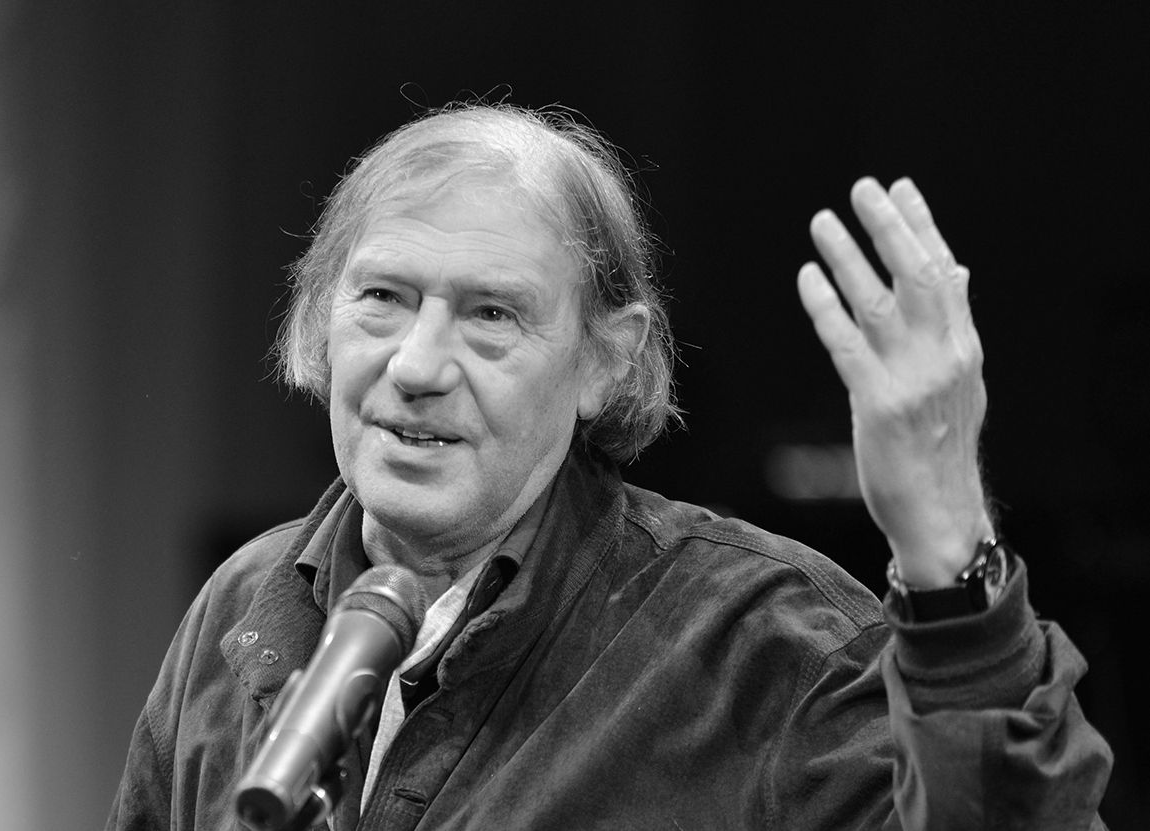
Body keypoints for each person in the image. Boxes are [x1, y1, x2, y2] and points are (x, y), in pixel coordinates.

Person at [107, 104, 1112, 830]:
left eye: (491, 314)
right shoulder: (244, 606)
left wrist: (945, 538)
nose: (415, 365)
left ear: (605, 362)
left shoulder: (767, 647)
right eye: (382, 298)